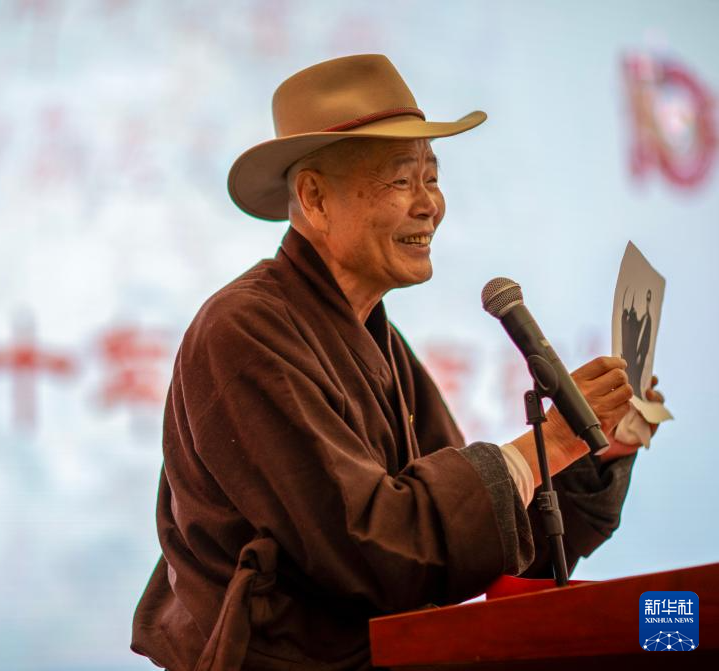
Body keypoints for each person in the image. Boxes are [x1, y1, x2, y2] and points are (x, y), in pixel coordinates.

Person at [131, 54, 664, 670]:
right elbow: (373, 549)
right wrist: (552, 440)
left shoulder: (378, 341)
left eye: (432, 178)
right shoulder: (244, 330)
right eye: (401, 181)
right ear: (314, 198)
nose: (429, 204)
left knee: (667, 631)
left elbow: (470, 539)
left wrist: (595, 451)